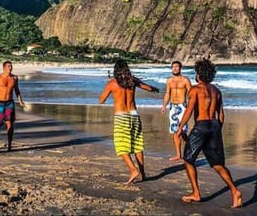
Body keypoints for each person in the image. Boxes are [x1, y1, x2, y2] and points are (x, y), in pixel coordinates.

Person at [176, 58, 242, 208]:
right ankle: (235, 191)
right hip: (214, 126)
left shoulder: (195, 89)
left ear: (198, 74)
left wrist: (181, 127)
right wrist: (217, 130)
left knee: (188, 159)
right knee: (218, 164)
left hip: (202, 126)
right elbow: (221, 116)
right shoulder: (216, 91)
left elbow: (189, 109)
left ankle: (196, 193)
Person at [99, 59, 160, 184]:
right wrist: (155, 89)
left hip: (121, 116)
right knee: (137, 144)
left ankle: (133, 170)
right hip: (134, 115)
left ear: (116, 70)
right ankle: (143, 173)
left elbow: (101, 100)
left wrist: (108, 86)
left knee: (121, 146)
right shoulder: (133, 80)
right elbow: (148, 88)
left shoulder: (112, 83)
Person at [0, 60, 25, 151]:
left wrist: (21, 101)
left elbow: (17, 91)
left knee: (10, 124)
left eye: (11, 66)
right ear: (4, 68)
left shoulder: (14, 78)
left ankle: (9, 145)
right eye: (8, 66)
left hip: (9, 103)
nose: (10, 68)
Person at [160, 60, 192, 160]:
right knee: (175, 130)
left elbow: (192, 94)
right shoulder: (169, 80)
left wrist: (191, 106)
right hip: (173, 107)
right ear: (171, 68)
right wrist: (164, 106)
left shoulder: (185, 80)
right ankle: (178, 154)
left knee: (182, 131)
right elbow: (167, 94)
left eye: (177, 66)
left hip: (183, 107)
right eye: (173, 67)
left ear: (180, 68)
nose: (175, 68)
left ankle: (191, 147)